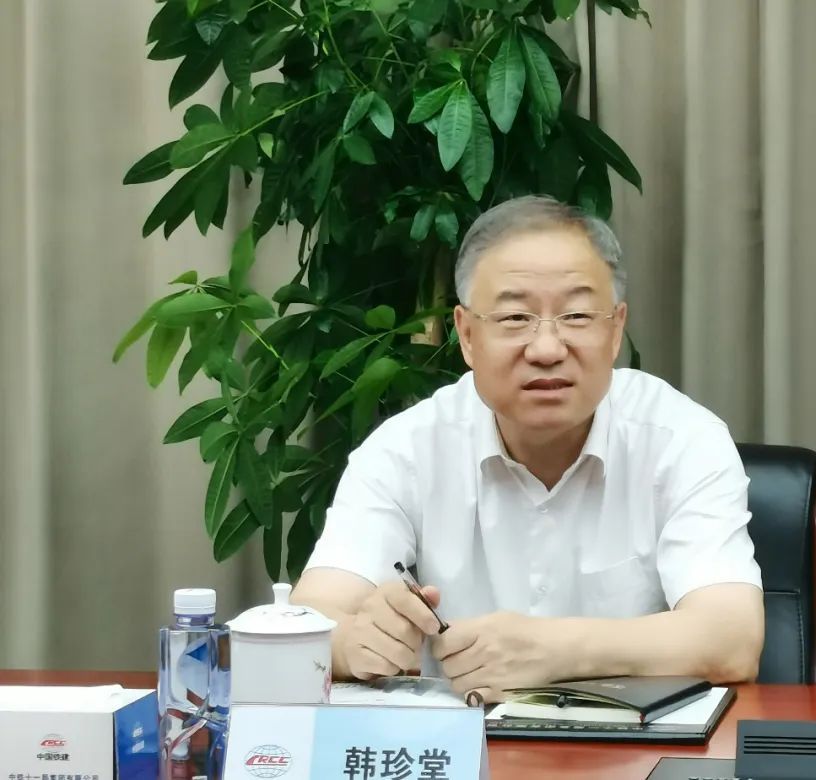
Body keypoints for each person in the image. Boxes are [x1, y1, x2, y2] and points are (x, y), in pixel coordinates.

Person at [291, 195, 764, 702]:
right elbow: (307, 622)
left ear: (615, 331)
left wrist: (552, 652)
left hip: (633, 744)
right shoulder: (406, 449)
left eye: (577, 315)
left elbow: (732, 639)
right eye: (515, 318)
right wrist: (353, 642)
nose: (546, 349)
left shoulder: (682, 439)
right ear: (467, 335)